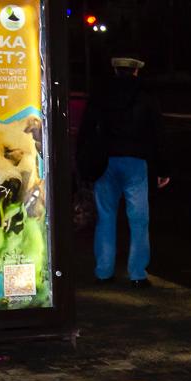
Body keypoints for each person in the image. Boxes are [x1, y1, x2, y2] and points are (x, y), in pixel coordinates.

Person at [76, 56, 170, 288]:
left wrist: (83, 164)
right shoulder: (146, 96)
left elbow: (86, 129)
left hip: (105, 161)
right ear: (136, 72)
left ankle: (103, 272)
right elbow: (158, 134)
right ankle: (137, 273)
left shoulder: (101, 94)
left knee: (105, 217)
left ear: (115, 70)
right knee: (139, 219)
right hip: (136, 162)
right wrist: (163, 168)